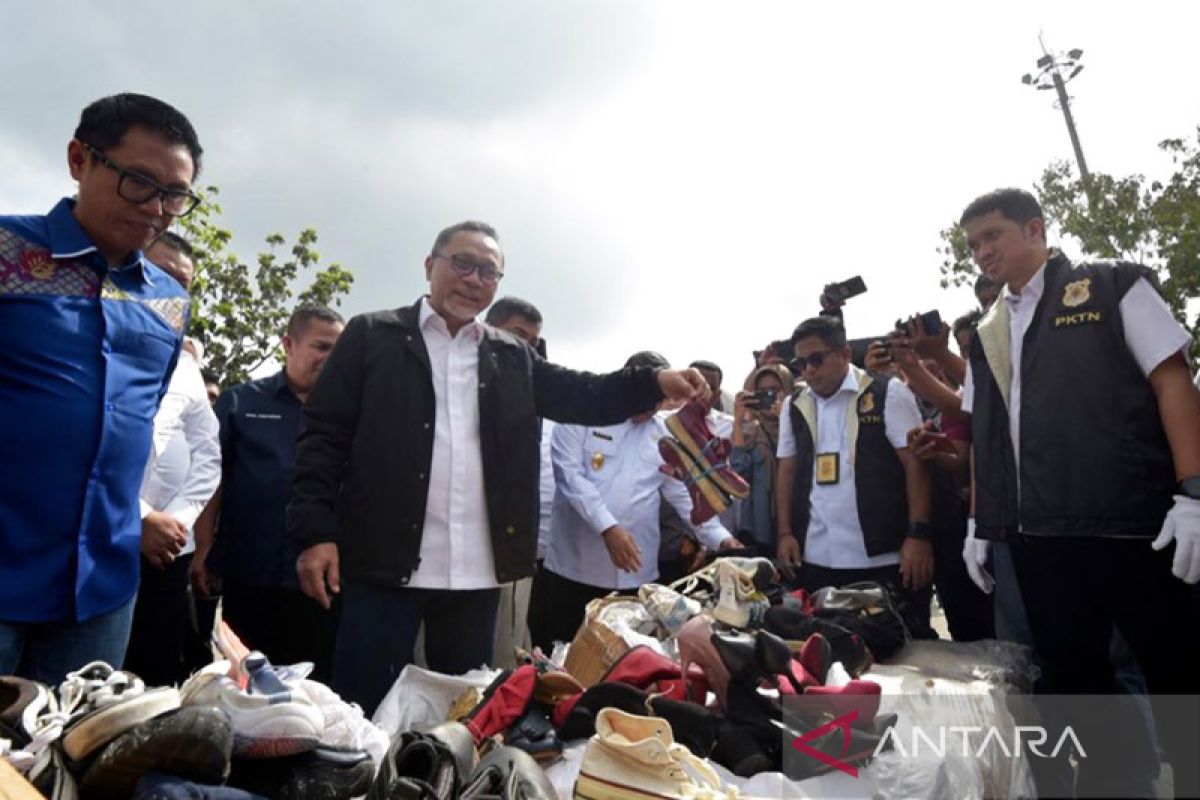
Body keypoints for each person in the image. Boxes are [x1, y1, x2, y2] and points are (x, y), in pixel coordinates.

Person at [288, 220, 712, 715]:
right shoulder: (373, 335)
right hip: (384, 566)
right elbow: (323, 436)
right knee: (363, 709)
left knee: (462, 715)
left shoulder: (510, 355)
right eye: (462, 264)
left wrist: (654, 380)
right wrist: (315, 531)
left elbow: (584, 393)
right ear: (430, 265)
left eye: (488, 273)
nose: (473, 279)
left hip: (475, 573)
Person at [959, 187, 1200, 795]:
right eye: (974, 245)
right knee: (1078, 686)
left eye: (994, 236)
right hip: (1040, 541)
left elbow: (1173, 381)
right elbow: (985, 435)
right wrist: (979, 524)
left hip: (1134, 527)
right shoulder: (988, 331)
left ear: (1035, 229)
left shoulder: (1110, 285)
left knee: (1178, 676)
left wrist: (1193, 491)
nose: (983, 252)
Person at [0, 93, 200, 683]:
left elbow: (132, 422)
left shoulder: (169, 300)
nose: (157, 208)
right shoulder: (8, 255)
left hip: (102, 590)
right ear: (79, 159)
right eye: (139, 181)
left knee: (65, 762)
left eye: (174, 195)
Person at [529, 351, 739, 651]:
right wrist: (608, 528)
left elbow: (683, 495)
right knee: (562, 662)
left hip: (636, 578)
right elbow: (571, 479)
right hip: (573, 573)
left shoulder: (664, 434)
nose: (654, 405)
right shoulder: (579, 420)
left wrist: (721, 539)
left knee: (628, 666)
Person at [192, 305, 345, 681]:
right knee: (245, 679)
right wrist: (203, 545)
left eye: (337, 351)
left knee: (316, 688)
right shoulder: (242, 402)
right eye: (321, 346)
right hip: (249, 570)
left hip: (323, 581)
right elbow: (214, 476)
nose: (329, 359)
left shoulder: (352, 413)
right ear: (289, 345)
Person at [775, 317, 935, 613]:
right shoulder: (793, 404)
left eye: (817, 359)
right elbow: (787, 470)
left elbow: (916, 466)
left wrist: (918, 534)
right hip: (816, 555)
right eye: (801, 363)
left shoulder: (888, 392)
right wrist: (785, 533)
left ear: (845, 354)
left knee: (898, 649)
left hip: (882, 555)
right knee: (828, 649)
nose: (809, 370)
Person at [124, 233, 222, 686]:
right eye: (160, 275)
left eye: (183, 284)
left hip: (167, 553)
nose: (171, 292)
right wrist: (138, 517)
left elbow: (208, 455)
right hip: (96, 541)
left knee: (153, 681)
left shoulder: (185, 367)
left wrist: (174, 521)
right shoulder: (91, 341)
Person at [729, 364, 795, 557]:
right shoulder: (752, 432)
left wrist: (787, 419)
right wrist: (739, 419)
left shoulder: (802, 424)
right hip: (760, 528)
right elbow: (738, 472)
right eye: (763, 391)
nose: (769, 396)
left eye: (775, 390)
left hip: (798, 522)